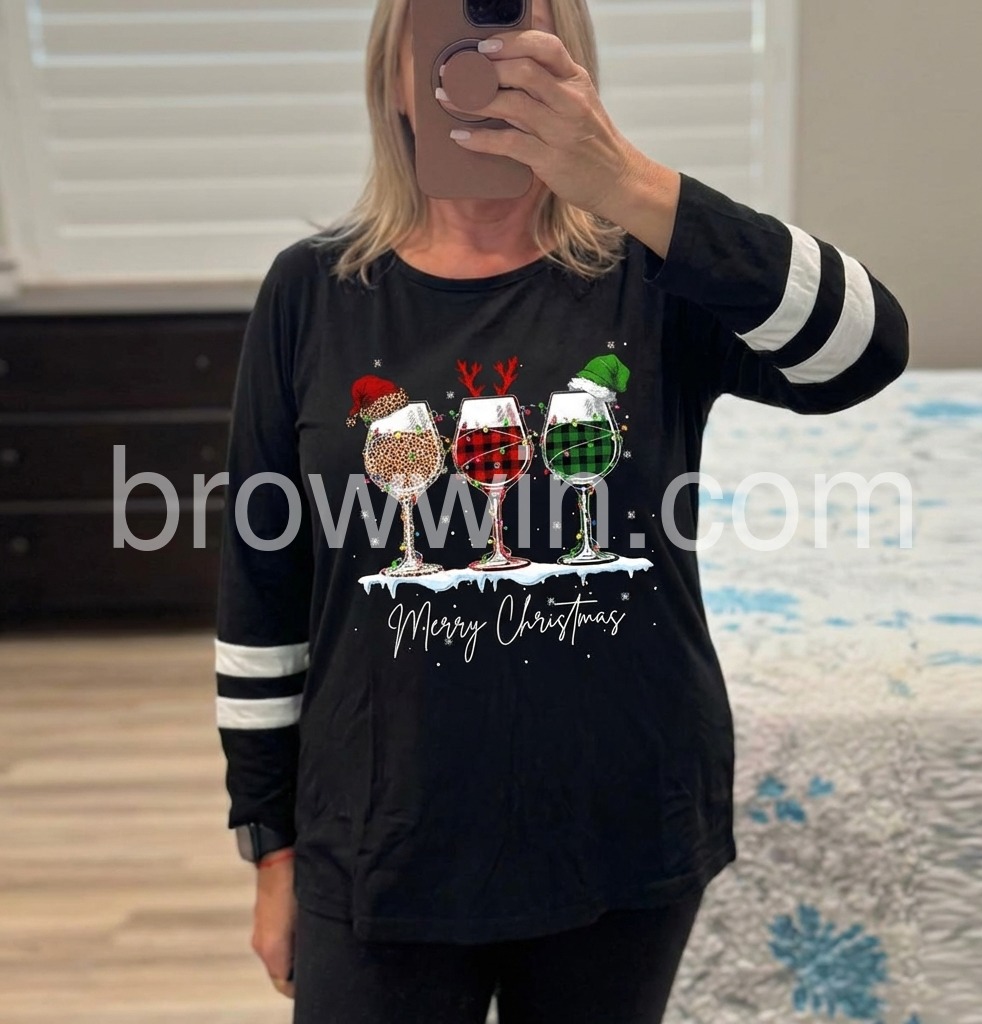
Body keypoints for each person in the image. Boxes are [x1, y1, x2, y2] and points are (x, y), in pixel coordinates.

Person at [213, 0, 910, 1021]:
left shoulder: (654, 272)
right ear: (394, 73)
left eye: (513, 36)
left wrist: (626, 182)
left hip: (620, 822)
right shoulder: (314, 291)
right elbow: (260, 588)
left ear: (568, 60)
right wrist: (269, 847)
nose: (479, 64)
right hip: (377, 834)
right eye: (444, 38)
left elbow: (867, 350)